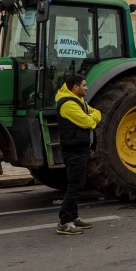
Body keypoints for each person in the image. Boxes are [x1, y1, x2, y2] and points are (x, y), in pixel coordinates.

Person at [54, 73, 101, 235]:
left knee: (78, 184)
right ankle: (64, 221)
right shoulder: (68, 104)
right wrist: (91, 118)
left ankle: (73, 217)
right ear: (75, 87)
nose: (86, 88)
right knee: (75, 185)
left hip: (81, 148)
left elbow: (97, 113)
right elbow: (88, 122)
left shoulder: (78, 100)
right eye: (84, 85)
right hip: (74, 150)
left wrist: (92, 116)